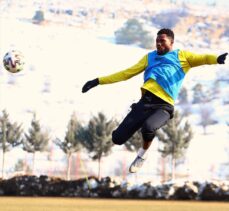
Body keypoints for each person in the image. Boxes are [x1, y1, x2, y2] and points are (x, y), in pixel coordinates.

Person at [82, 28, 228, 173]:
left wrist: (216, 59)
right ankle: (132, 118)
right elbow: (126, 73)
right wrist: (97, 81)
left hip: (164, 106)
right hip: (144, 103)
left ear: (171, 42)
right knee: (117, 139)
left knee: (148, 127)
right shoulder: (149, 58)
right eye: (157, 41)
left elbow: (202, 58)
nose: (158, 44)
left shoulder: (181, 56)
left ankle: (142, 155)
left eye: (162, 41)